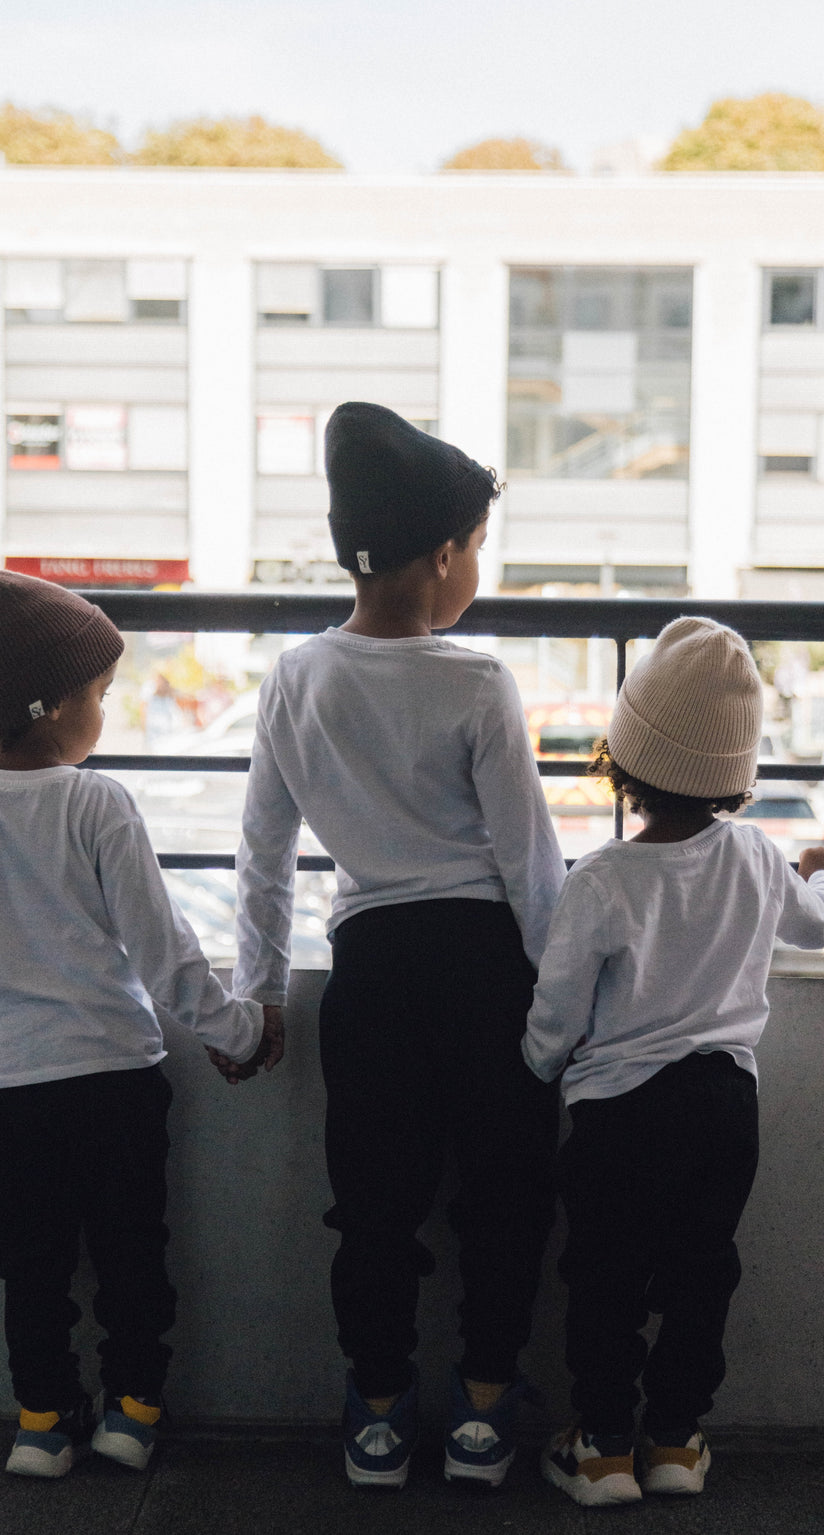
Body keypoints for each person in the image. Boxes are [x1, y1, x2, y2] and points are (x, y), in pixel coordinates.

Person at [0, 568, 282, 1480]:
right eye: (99, 694)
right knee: (132, 1254)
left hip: (5, 1085)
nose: (105, 709)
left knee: (30, 1266)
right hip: (111, 1076)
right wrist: (237, 1029)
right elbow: (162, 948)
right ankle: (133, 1411)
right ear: (55, 707)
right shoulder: (97, 803)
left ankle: (41, 1421)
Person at [229, 402, 566, 1490]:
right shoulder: (475, 682)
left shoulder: (296, 678)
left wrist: (260, 990)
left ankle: (376, 1411)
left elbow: (264, 853)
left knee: (372, 1206)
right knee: (502, 1197)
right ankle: (480, 1411)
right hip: (485, 973)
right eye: (477, 549)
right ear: (444, 554)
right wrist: (564, 1004)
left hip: (370, 978)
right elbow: (530, 866)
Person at [522, 617, 824, 1507]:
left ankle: (601, 1447)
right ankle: (675, 1438)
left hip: (619, 1114)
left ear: (622, 758)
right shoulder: (755, 855)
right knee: (703, 1270)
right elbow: (821, 926)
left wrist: (541, 1060)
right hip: (722, 1105)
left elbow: (556, 1012)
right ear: (735, 774)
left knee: (607, 1278)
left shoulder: (601, 879)